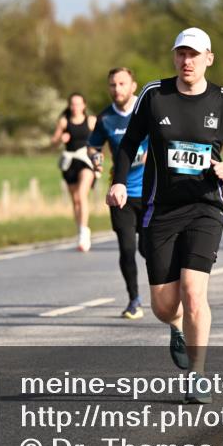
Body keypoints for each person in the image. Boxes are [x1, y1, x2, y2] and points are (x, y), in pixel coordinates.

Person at [108, 27, 223, 404]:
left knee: (193, 291)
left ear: (209, 58)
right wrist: (119, 182)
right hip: (161, 209)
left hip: (206, 207)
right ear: (174, 57)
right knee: (163, 306)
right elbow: (128, 143)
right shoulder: (154, 95)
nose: (187, 61)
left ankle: (198, 375)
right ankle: (175, 327)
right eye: (181, 54)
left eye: (194, 54)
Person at [87, 67, 150, 319]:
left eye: (122, 84)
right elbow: (93, 146)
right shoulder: (105, 118)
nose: (117, 89)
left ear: (133, 86)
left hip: (151, 193)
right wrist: (96, 158)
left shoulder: (146, 110)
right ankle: (134, 300)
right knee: (127, 249)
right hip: (121, 194)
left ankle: (167, 291)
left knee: (148, 249)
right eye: (113, 85)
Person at [52, 93, 97, 252]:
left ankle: (84, 233)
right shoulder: (64, 121)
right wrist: (61, 139)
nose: (75, 107)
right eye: (72, 104)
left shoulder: (91, 121)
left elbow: (99, 140)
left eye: (78, 104)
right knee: (75, 200)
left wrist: (97, 157)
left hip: (85, 160)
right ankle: (81, 229)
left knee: (82, 194)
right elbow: (53, 142)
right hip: (70, 162)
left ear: (84, 105)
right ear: (69, 106)